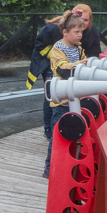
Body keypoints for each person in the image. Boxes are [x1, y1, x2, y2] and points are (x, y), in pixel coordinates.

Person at [26, 3, 101, 140]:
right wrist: (57, 57)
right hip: (51, 63)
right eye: (79, 19)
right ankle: (49, 129)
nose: (82, 25)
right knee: (52, 92)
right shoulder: (53, 29)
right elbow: (40, 46)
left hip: (73, 68)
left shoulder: (91, 33)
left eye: (85, 20)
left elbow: (93, 53)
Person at [43, 11, 87, 177]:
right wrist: (80, 65)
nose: (80, 35)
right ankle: (49, 168)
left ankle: (67, 166)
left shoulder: (79, 48)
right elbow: (61, 70)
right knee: (57, 135)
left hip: (74, 99)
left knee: (74, 133)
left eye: (81, 31)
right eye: (76, 32)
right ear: (65, 32)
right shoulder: (58, 49)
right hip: (61, 101)